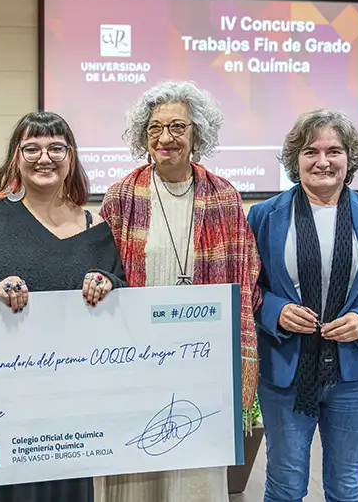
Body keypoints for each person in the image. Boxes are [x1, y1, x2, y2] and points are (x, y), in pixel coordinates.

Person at [0, 110, 127, 502]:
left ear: (71, 158)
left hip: (69, 409)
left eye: (56, 147)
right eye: (31, 148)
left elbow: (120, 295)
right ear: (15, 157)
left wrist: (108, 285)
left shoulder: (97, 231)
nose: (44, 157)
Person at [98, 80, 262, 502]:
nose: (164, 137)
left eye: (177, 127)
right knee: (137, 461)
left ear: (197, 135)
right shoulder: (121, 197)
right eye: (154, 127)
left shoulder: (224, 196)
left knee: (193, 465)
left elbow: (246, 274)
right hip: (135, 352)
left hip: (201, 357)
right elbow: (102, 273)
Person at [247, 109, 358, 502]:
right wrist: (275, 311)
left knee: (347, 486)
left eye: (334, 151)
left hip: (357, 373)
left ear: (349, 159)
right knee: (285, 486)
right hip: (286, 372)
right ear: (295, 160)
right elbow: (247, 288)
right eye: (311, 151)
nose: (323, 161)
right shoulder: (264, 216)